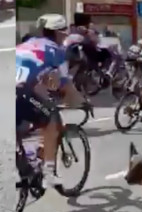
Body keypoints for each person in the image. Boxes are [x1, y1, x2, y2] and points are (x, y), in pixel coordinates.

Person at [15, 13, 89, 189]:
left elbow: (33, 79)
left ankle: (23, 160)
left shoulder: (25, 45)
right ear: (60, 33)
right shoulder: (56, 51)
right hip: (20, 92)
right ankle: (49, 172)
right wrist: (83, 102)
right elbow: (66, 86)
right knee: (51, 119)